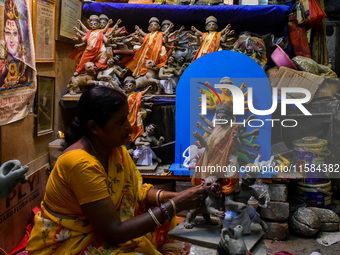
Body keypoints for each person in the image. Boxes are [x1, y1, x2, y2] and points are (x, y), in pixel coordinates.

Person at [26, 86, 206, 254]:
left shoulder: (114, 149)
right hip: (72, 241)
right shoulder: (79, 163)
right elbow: (113, 232)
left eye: (127, 117)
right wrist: (178, 204)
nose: (129, 126)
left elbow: (136, 192)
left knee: (165, 218)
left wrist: (177, 198)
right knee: (162, 217)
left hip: (107, 228)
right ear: (94, 127)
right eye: (120, 122)